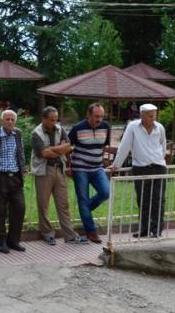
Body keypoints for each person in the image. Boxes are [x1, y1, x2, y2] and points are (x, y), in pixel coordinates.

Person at [31, 106, 89, 246]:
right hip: (44, 171)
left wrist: (53, 149)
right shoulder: (36, 133)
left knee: (63, 204)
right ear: (43, 119)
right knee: (43, 204)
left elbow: (67, 147)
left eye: (56, 120)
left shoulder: (60, 129)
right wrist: (59, 150)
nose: (54, 122)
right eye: (51, 120)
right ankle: (47, 234)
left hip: (59, 169)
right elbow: (44, 154)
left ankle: (70, 236)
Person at [110, 103, 167, 238]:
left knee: (158, 199)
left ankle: (157, 230)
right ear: (141, 116)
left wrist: (159, 160)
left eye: (154, 115)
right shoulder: (132, 127)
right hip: (141, 168)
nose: (153, 118)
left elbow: (162, 145)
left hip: (158, 167)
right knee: (143, 200)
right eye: (149, 116)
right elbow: (124, 146)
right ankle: (144, 229)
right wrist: (116, 165)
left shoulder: (160, 127)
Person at [68, 103, 111, 244]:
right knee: (83, 198)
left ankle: (84, 210)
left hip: (97, 168)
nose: (99, 119)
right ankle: (91, 231)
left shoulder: (106, 127)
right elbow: (68, 148)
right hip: (80, 168)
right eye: (96, 116)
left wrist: (103, 162)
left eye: (101, 116)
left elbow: (104, 146)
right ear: (89, 115)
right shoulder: (77, 128)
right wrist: (69, 166)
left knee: (106, 192)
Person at [0, 110, 26, 253]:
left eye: (12, 119)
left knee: (19, 208)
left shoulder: (18, 133)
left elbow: (21, 153)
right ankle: (1, 241)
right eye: (7, 119)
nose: (10, 122)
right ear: (1, 121)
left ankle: (13, 240)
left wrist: (22, 169)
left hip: (15, 177)